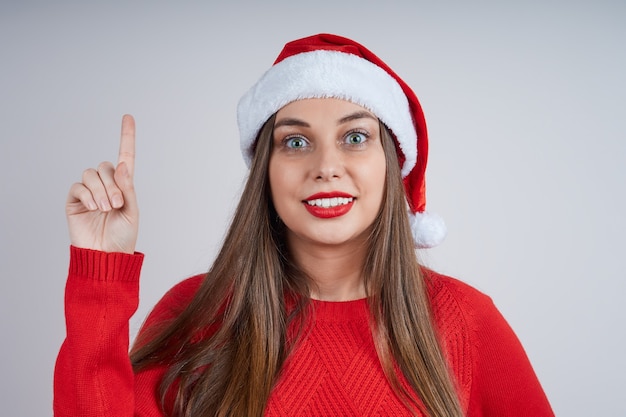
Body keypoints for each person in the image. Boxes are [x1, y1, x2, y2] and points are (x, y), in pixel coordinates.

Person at [53, 34, 554, 417]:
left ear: (391, 163)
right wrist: (101, 270)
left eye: (355, 137)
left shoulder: (466, 320)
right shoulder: (197, 313)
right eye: (295, 142)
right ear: (265, 173)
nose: (326, 165)